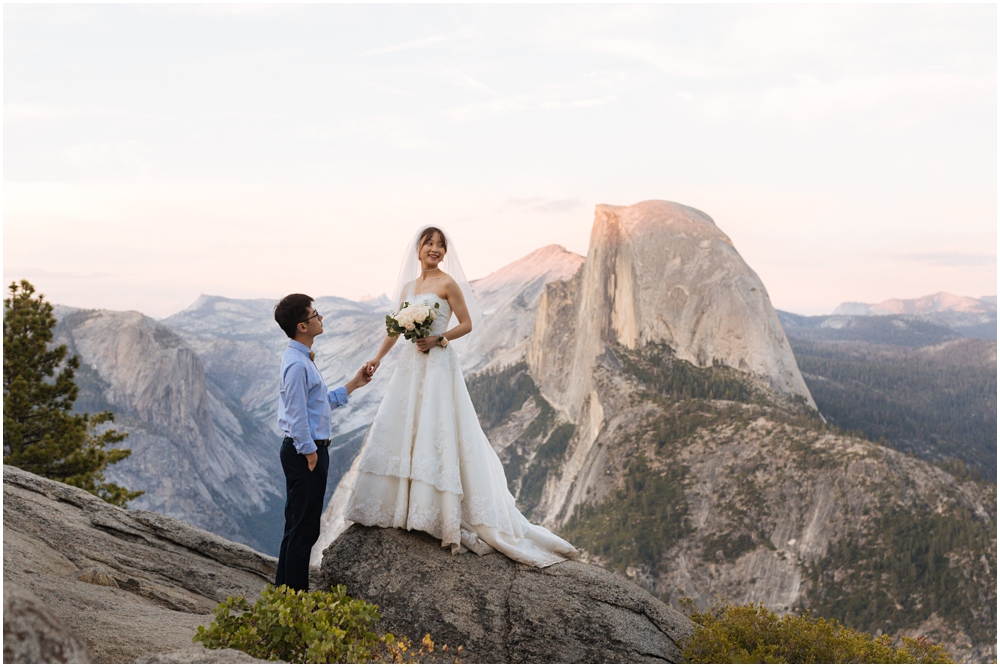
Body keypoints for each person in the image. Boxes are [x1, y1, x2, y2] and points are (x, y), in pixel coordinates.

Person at [345, 226, 577, 567]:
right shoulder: (410, 288)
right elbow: (395, 328)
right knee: (405, 426)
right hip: (412, 365)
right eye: (430, 243)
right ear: (418, 249)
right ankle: (402, 505)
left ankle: (434, 511)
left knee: (436, 428)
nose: (435, 249)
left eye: (441, 245)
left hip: (437, 363)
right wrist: (378, 358)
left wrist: (440, 338)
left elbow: (467, 323)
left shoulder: (447, 283)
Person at [273, 293, 373, 591]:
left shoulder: (301, 360)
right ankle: (296, 600)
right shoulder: (297, 365)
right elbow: (296, 413)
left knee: (297, 526)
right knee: (304, 530)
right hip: (306, 452)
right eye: (315, 314)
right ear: (302, 326)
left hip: (305, 450)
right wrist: (309, 452)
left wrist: (353, 384)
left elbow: (317, 404)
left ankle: (284, 594)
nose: (320, 318)